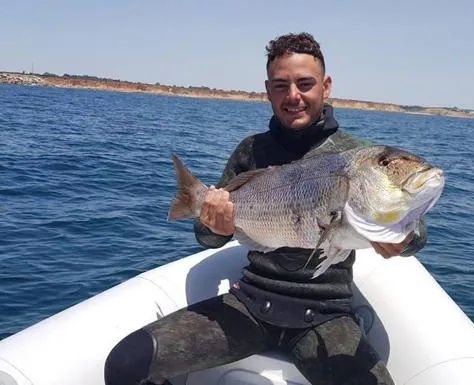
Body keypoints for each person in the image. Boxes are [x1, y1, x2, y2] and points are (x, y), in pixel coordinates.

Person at [104, 32, 428, 385]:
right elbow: (205, 238)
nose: (294, 96)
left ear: (326, 86)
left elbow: (413, 225)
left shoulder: (359, 157)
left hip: (325, 315)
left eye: (305, 83)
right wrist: (215, 224)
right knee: (125, 363)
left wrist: (406, 240)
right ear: (268, 90)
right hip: (251, 305)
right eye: (281, 85)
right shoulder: (251, 151)